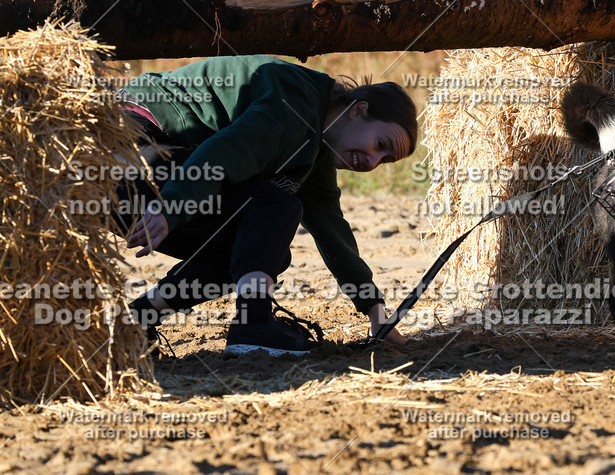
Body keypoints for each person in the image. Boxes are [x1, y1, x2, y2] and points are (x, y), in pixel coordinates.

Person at [112, 55, 415, 357]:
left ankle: (136, 318)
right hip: (116, 151)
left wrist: (374, 309)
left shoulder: (317, 143)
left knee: (263, 247)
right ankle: (254, 326)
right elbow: (222, 153)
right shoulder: (295, 100)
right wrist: (171, 208)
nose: (373, 162)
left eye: (384, 160)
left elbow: (331, 227)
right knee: (274, 208)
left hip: (152, 180)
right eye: (380, 145)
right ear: (358, 110)